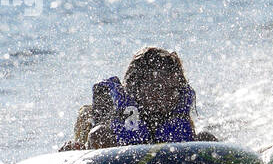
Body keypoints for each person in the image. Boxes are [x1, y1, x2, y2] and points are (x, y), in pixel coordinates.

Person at [60, 47, 217, 151]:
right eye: (158, 88)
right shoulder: (114, 113)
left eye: (173, 89)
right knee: (98, 133)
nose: (167, 96)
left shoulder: (178, 116)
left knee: (206, 138)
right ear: (136, 87)